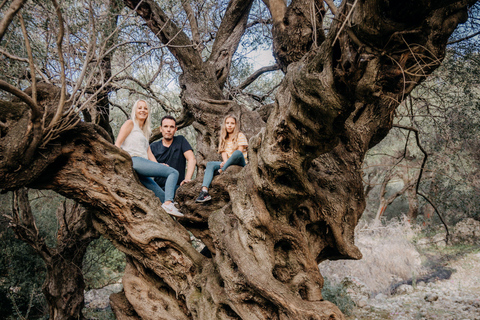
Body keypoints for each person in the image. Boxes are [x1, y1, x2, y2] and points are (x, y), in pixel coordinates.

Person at [115, 100, 183, 217]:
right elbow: (117, 145)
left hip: (142, 167)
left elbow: (149, 153)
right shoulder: (130, 124)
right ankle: (168, 204)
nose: (143, 110)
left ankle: (166, 208)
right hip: (133, 161)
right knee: (173, 172)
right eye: (139, 108)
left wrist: (159, 165)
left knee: (161, 196)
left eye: (145, 108)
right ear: (135, 111)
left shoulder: (144, 132)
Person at [195, 115, 248, 203]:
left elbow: (240, 152)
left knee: (237, 153)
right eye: (227, 123)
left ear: (236, 125)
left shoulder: (240, 135)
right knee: (210, 164)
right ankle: (204, 192)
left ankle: (220, 171)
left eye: (232, 123)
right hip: (228, 163)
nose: (229, 125)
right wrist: (225, 162)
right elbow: (223, 153)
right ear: (224, 125)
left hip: (240, 162)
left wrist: (224, 166)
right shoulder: (224, 138)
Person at [150, 116, 196, 195]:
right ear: (161, 129)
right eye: (165, 126)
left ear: (175, 129)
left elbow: (192, 159)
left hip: (177, 187)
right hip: (158, 188)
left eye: (171, 127)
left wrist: (187, 179)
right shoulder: (153, 146)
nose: (168, 130)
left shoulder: (180, 141)